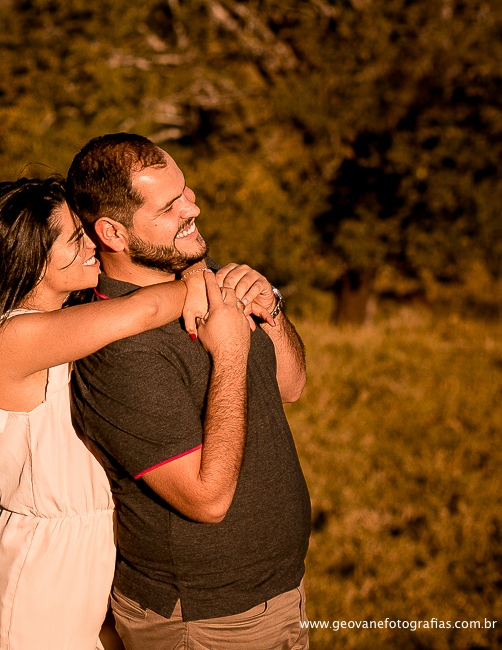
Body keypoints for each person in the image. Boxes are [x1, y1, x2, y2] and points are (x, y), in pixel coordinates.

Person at [0, 176, 249, 650]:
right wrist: (196, 278)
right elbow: (144, 311)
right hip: (43, 562)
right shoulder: (11, 338)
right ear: (28, 259)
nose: (92, 245)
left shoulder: (70, 321)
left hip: (103, 546)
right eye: (74, 238)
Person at [66, 134, 311, 649]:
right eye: (170, 204)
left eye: (187, 191)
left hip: (280, 593)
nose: (192, 208)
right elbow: (207, 499)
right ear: (113, 232)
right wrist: (231, 352)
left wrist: (271, 309)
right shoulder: (116, 350)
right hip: (202, 620)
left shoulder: (204, 276)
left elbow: (292, 386)